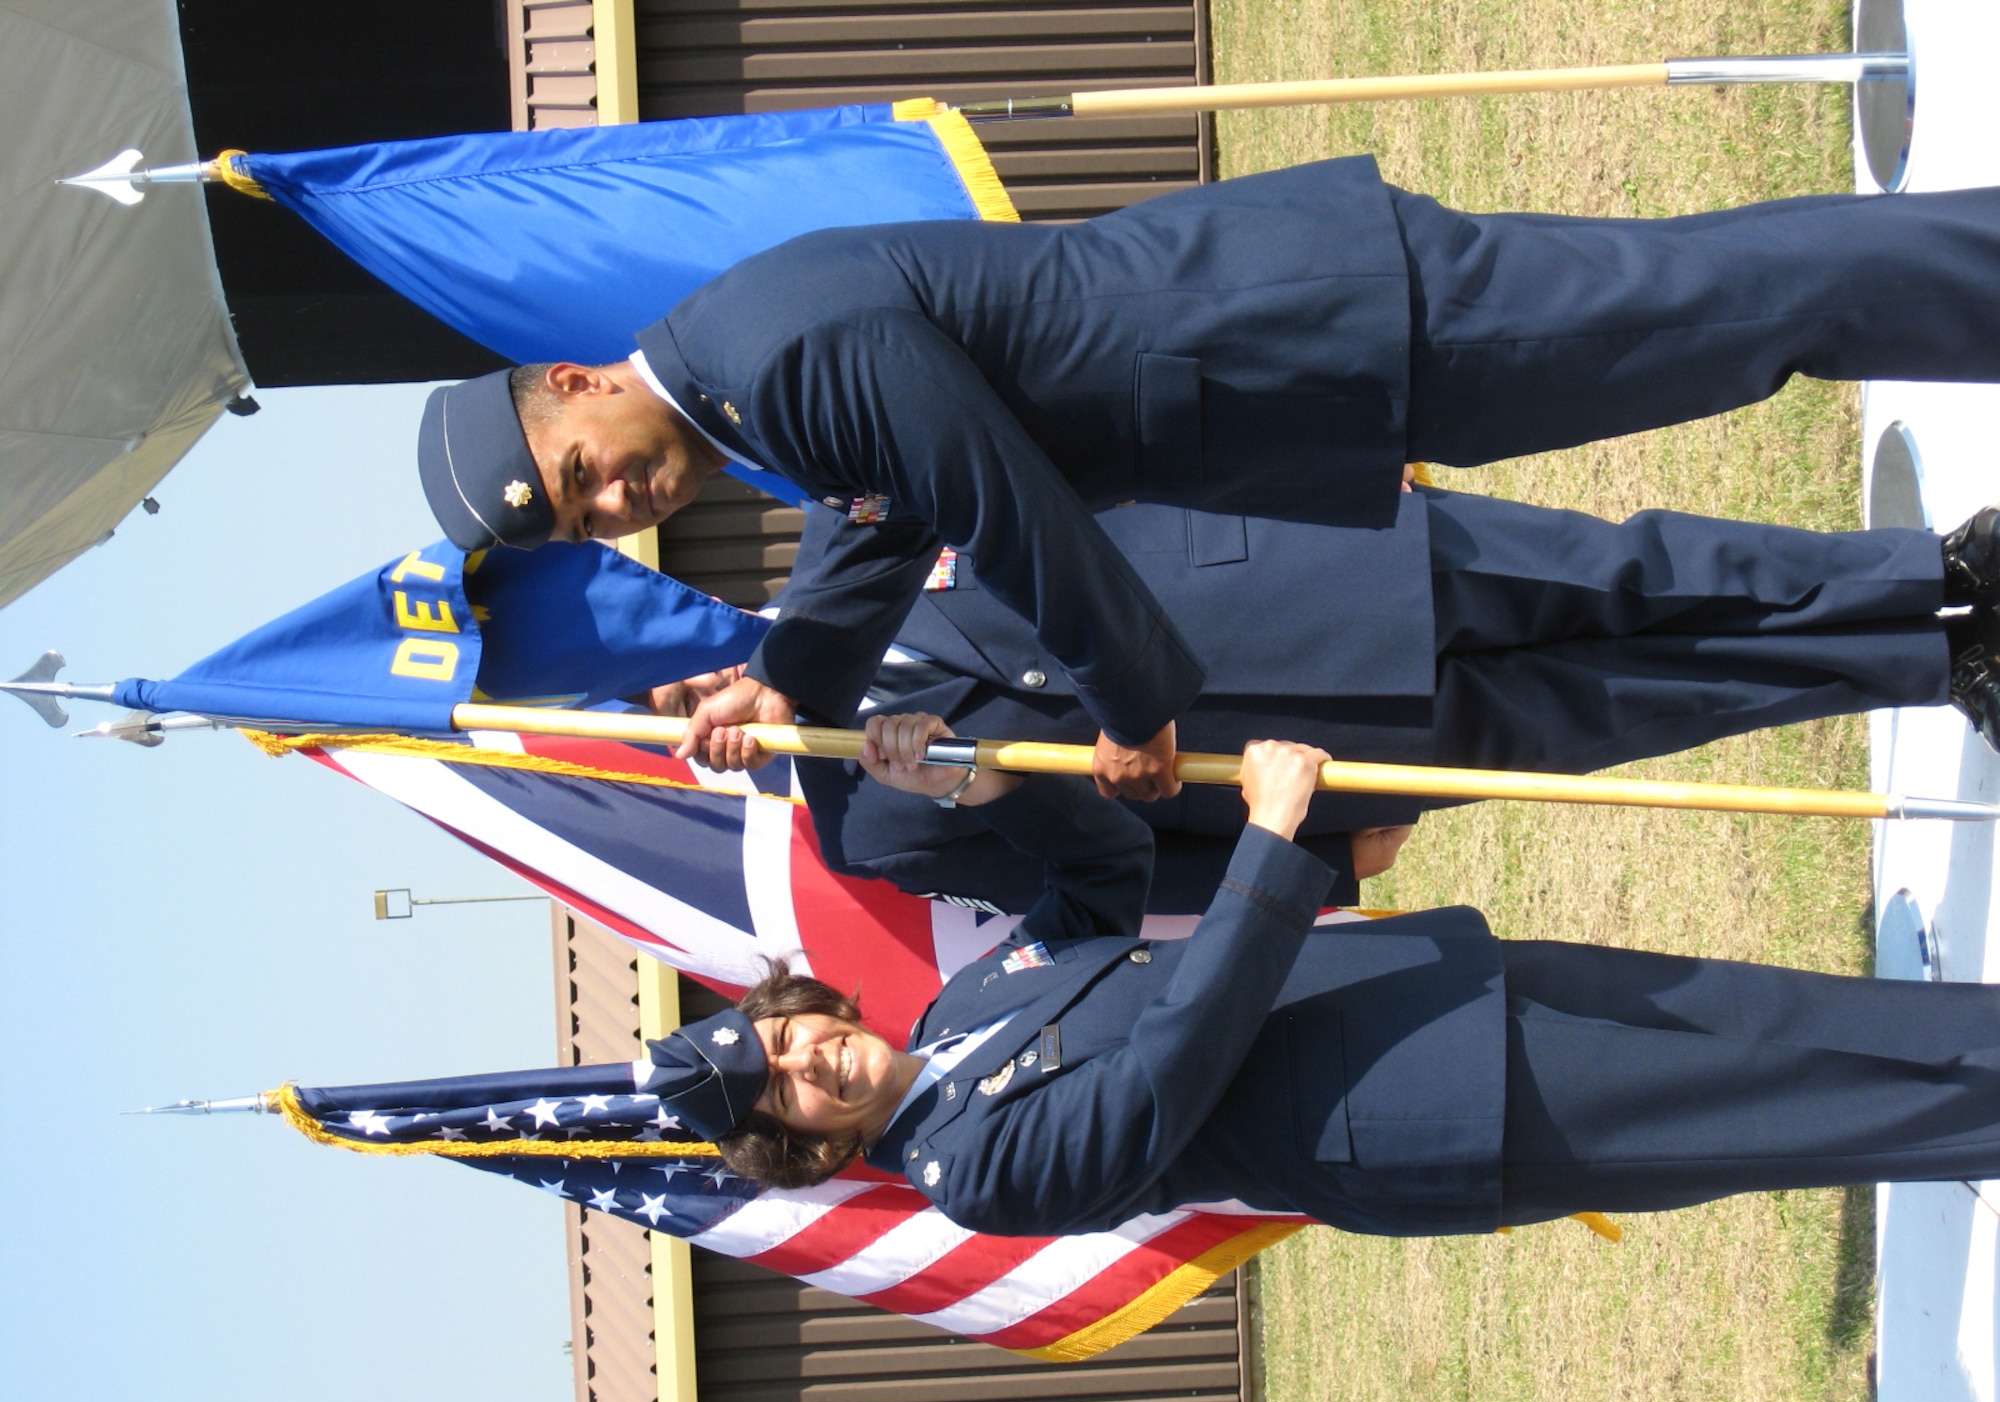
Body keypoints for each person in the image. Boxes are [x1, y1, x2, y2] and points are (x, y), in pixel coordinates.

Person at [413, 158, 2000, 795]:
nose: (616, 504)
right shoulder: (748, 371)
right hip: (1310, 353)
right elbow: (887, 509)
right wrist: (790, 670)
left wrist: (1131, 701)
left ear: (572, 387)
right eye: (583, 519)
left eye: (582, 474)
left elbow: (989, 499)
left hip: (1313, 324)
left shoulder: (767, 360)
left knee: (1721, 310)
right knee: (1716, 317)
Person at [634, 716, 2000, 1240]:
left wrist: (983, 780)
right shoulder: (973, 1177)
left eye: (784, 1042)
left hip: (1415, 991)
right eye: (787, 1100)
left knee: (1751, 1009)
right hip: (1422, 1110)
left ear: (804, 1013)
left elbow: (1097, 898)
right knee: (1766, 1105)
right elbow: (1169, 1070)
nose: (806, 1065)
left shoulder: (956, 1016)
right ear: (808, 1144)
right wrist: (1275, 848)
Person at [657, 487, 2000, 913]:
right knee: (1640, 699)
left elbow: (1033, 459)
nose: (709, 694)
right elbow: (1105, 885)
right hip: (1317, 753)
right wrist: (1308, 865)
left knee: (1639, 566)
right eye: (679, 713)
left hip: (1318, 569)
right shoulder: (869, 831)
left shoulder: (856, 553)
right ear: (702, 757)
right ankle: (1938, 661)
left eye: (686, 665)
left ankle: (1929, 571)